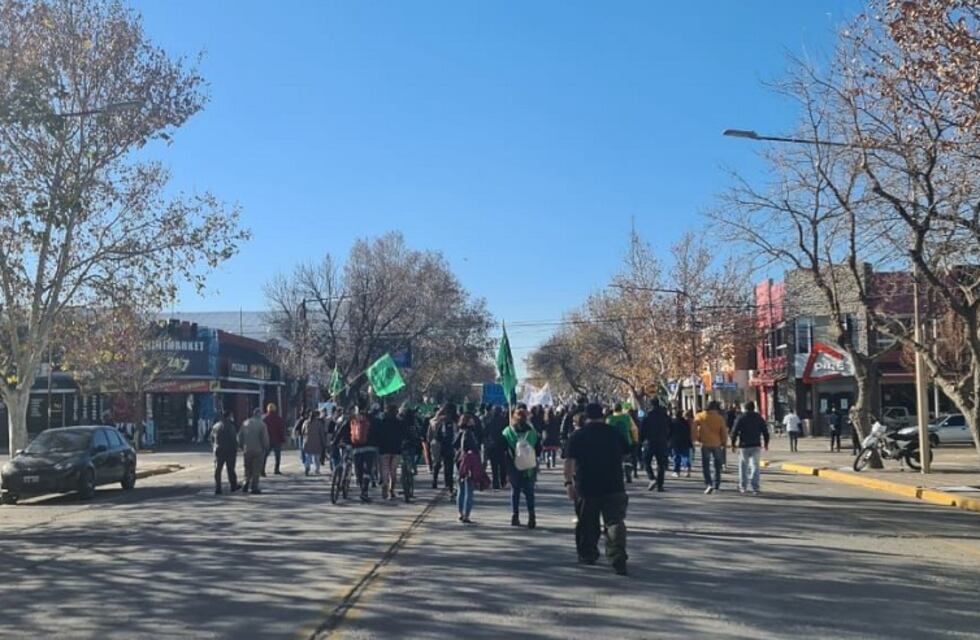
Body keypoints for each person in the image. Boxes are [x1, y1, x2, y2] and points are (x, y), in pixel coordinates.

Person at [564, 403, 629, 576]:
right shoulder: (614, 433)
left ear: (586, 416)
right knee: (614, 522)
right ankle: (618, 556)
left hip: (587, 486)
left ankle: (588, 554)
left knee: (587, 522)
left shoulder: (578, 436)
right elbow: (627, 452)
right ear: (603, 415)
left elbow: (569, 462)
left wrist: (568, 483)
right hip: (614, 485)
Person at [503, 407, 541, 528]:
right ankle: (532, 517)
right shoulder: (532, 433)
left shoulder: (508, 432)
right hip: (529, 467)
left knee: (515, 492)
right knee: (529, 492)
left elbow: (502, 448)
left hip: (514, 467)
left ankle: (515, 516)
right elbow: (539, 449)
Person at [730, 401, 770, 494]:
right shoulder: (758, 417)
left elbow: (734, 431)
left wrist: (733, 444)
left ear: (745, 408)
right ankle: (755, 487)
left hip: (744, 445)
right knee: (755, 466)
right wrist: (766, 443)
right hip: (756, 444)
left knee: (743, 466)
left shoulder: (741, 417)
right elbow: (765, 431)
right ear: (753, 407)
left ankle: (743, 486)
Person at [695, 401, 729, 494]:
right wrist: (724, 443)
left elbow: (694, 428)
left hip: (705, 443)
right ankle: (716, 484)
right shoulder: (719, 418)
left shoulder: (700, 416)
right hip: (717, 443)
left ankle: (709, 483)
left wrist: (697, 438)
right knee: (717, 465)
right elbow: (724, 432)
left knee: (705, 465)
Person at [455, 414, 483, 522]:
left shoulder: (459, 432)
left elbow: (454, 444)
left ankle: (460, 513)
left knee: (460, 489)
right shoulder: (469, 433)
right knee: (469, 490)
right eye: (471, 420)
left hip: (459, 462)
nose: (473, 422)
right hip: (469, 464)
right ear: (467, 422)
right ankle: (466, 514)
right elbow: (473, 449)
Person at [377, 404, 406, 500]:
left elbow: (378, 434)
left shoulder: (381, 422)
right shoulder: (400, 422)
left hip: (384, 448)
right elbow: (404, 434)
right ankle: (391, 489)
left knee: (384, 469)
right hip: (396, 449)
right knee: (393, 470)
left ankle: (384, 485)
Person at [640, 398, 670, 492]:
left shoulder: (647, 417)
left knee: (646, 461)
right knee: (661, 464)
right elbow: (671, 428)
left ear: (650, 405)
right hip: (662, 442)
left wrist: (641, 441)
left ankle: (652, 478)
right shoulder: (665, 416)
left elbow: (642, 430)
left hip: (650, 442)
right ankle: (660, 485)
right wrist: (667, 438)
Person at [428, 403, 459, 495]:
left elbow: (430, 433)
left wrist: (430, 441)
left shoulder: (435, 420)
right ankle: (448, 483)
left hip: (437, 444)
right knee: (448, 464)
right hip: (449, 445)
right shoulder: (455, 420)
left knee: (437, 463)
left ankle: (435, 480)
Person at [238, 407, 269, 494]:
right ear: (259, 415)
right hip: (258, 450)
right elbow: (264, 438)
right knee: (256, 469)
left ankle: (245, 482)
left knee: (247, 468)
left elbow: (240, 437)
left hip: (247, 449)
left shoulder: (245, 423)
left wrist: (241, 446)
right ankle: (254, 487)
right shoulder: (262, 424)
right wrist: (266, 447)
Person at [210, 410, 239, 494]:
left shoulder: (216, 426)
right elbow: (234, 438)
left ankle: (218, 487)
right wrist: (236, 447)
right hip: (230, 450)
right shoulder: (230, 426)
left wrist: (214, 446)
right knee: (230, 469)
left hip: (219, 450)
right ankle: (233, 485)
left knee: (218, 469)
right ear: (229, 416)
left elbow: (211, 438)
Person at [484, 406, 509, 490]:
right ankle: (503, 481)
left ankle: (495, 482)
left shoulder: (490, 421)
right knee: (502, 465)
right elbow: (507, 434)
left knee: (494, 465)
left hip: (492, 446)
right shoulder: (505, 421)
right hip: (501, 446)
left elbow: (485, 433)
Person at [262, 403, 286, 476]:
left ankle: (262, 470)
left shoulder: (264, 419)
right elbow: (281, 429)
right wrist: (283, 438)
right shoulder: (278, 418)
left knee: (265, 455)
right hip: (277, 439)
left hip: (267, 440)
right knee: (277, 456)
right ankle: (276, 469)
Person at [668, 408, 693, 477]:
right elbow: (689, 431)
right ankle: (687, 468)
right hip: (685, 441)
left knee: (676, 456)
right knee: (685, 456)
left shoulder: (672, 422)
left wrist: (668, 441)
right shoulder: (685, 422)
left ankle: (676, 471)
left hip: (675, 441)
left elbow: (669, 432)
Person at [302, 410, 327, 476]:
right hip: (317, 442)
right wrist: (324, 443)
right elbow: (322, 433)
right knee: (316, 457)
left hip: (307, 441)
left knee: (308, 456)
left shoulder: (306, 422)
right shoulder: (319, 423)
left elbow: (302, 431)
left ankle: (307, 467)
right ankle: (317, 469)